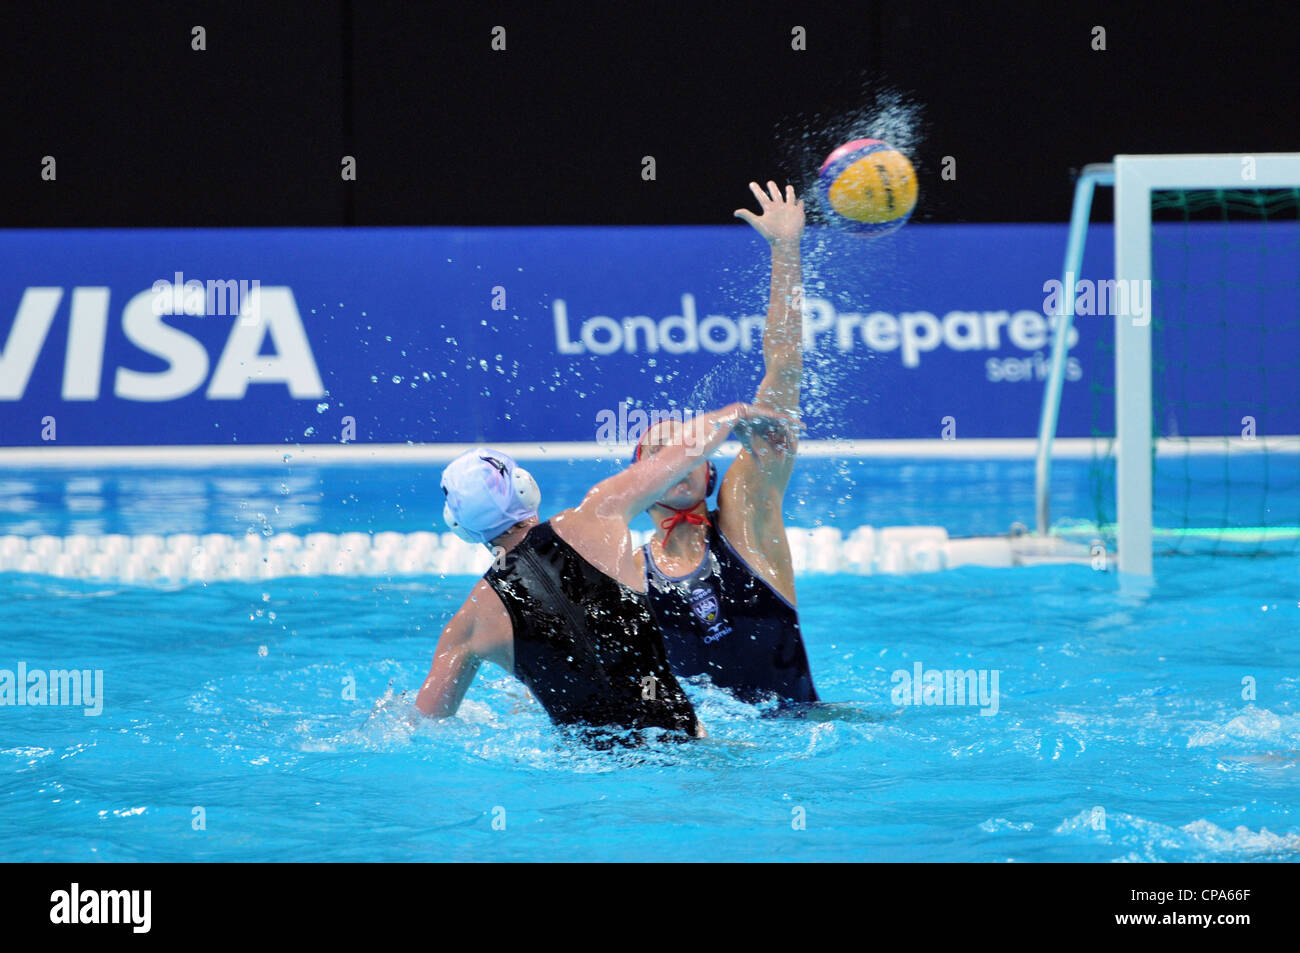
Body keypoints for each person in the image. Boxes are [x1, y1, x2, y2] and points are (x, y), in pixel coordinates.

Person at [415, 402, 796, 742]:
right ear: (524, 488)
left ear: (461, 529)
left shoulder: (466, 627)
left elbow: (424, 727)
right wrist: (737, 414)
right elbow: (682, 451)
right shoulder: (596, 516)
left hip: (595, 786)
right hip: (688, 752)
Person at [634, 181, 818, 706]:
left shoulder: (746, 522)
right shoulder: (627, 576)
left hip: (800, 751)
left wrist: (786, 250)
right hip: (696, 769)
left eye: (689, 447)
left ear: (710, 472)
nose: (678, 457)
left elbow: (784, 373)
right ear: (638, 486)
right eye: (660, 452)